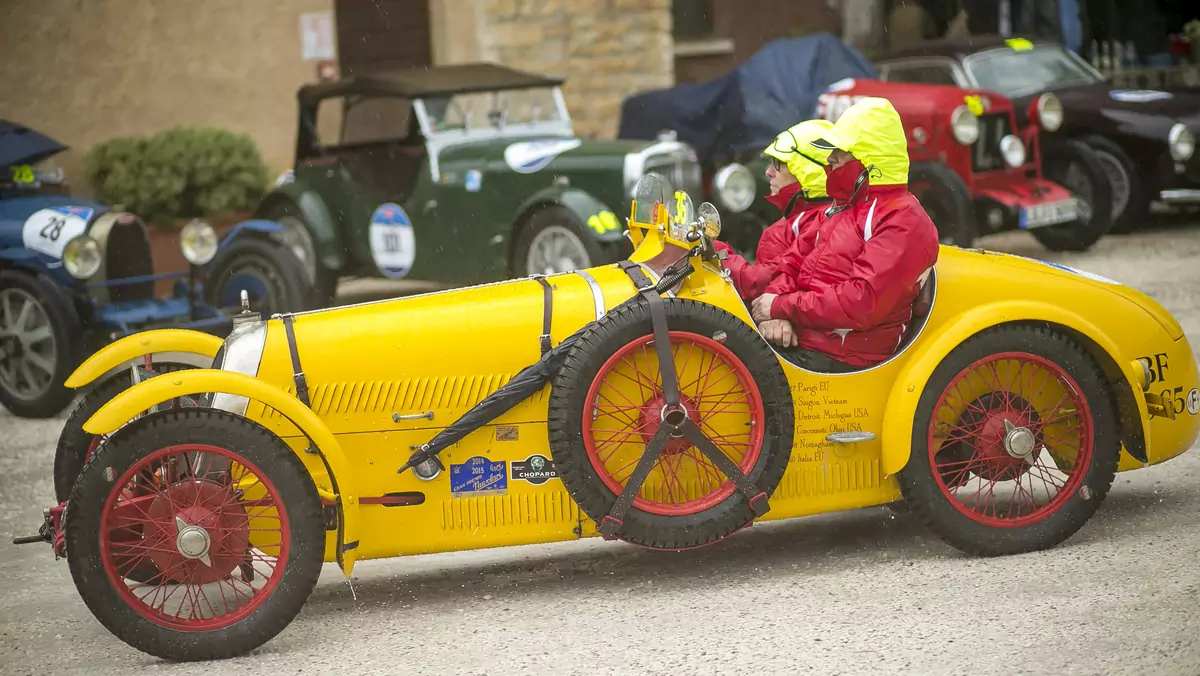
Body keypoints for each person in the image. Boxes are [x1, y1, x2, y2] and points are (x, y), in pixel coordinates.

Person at [750, 97, 940, 373]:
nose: (829, 160)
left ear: (869, 159)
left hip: (843, 360)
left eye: (839, 151)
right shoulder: (842, 208)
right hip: (802, 344)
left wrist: (782, 307)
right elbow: (789, 265)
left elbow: (861, 301)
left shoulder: (903, 219)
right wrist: (774, 316)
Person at [712, 118, 834, 302]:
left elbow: (759, 283)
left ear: (807, 170)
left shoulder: (820, 224)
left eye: (778, 164)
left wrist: (715, 251)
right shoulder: (801, 219)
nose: (768, 172)